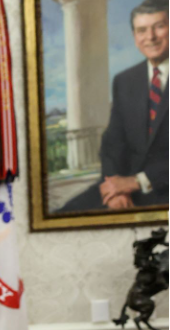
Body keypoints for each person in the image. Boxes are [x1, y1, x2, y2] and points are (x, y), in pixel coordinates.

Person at [60, 0, 168, 212]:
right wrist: (114, 189)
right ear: (135, 38)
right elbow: (112, 144)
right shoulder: (125, 80)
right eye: (142, 30)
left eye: (159, 26)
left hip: (162, 187)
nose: (151, 37)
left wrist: (139, 181)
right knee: (63, 214)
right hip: (125, 187)